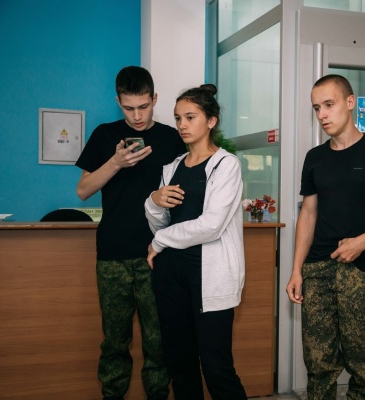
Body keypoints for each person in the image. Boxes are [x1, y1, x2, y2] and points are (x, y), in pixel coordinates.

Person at [286, 74, 365, 399]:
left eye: (328, 105)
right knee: (318, 364)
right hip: (317, 270)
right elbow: (308, 213)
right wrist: (296, 269)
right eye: (316, 108)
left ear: (350, 102)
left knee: (362, 365)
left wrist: (361, 242)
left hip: (363, 272)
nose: (322, 114)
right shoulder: (315, 157)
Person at [75, 66, 186, 400]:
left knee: (158, 340)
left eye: (143, 106)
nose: (137, 116)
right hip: (112, 253)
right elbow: (82, 190)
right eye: (129, 108)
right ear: (118, 102)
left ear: (155, 99)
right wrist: (116, 163)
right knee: (114, 341)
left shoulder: (172, 138)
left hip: (158, 253)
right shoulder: (104, 135)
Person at [144, 84, 247, 400]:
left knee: (217, 368)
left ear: (211, 120)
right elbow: (160, 223)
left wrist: (160, 241)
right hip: (170, 275)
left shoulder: (226, 165)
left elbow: (211, 226)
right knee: (180, 365)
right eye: (178, 118)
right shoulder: (172, 167)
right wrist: (153, 201)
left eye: (190, 117)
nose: (182, 125)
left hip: (210, 278)